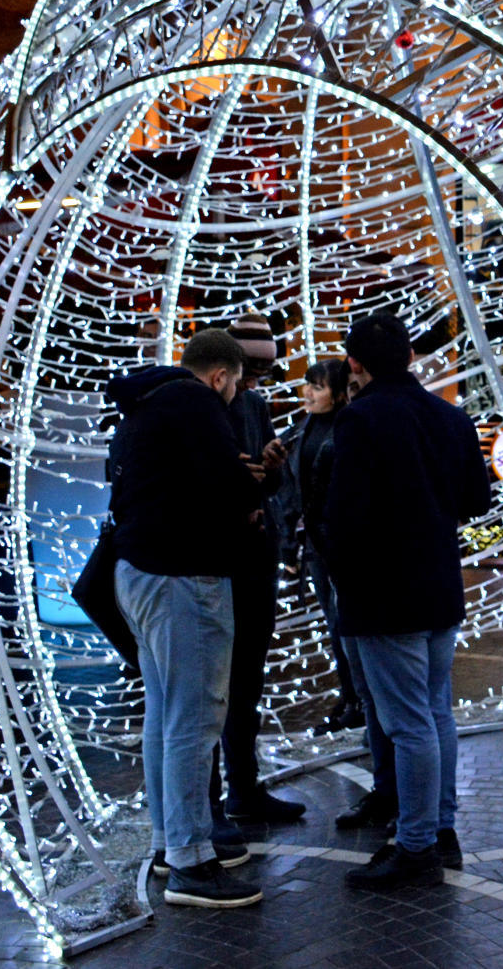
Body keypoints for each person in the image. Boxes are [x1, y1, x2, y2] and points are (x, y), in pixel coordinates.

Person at [320, 312, 490, 890]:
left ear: (354, 363)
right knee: (435, 713)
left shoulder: (360, 419)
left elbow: (344, 515)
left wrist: (342, 576)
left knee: (409, 723)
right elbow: (477, 500)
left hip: (382, 594)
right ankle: (440, 828)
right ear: (411, 357)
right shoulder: (450, 416)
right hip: (438, 585)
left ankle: (416, 846)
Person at [107, 328, 263, 909]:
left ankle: (169, 840)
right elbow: (226, 490)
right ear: (221, 376)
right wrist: (249, 482)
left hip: (139, 570)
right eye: (237, 384)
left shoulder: (149, 401)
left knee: (166, 715)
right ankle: (192, 861)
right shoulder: (197, 403)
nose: (236, 396)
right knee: (195, 720)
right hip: (184, 576)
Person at [215, 314, 304, 825]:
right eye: (246, 373)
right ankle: (210, 804)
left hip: (255, 560)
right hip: (215, 563)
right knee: (211, 686)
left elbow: (271, 485)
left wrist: (270, 469)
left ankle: (243, 788)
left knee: (247, 681)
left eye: (261, 375)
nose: (252, 384)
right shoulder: (201, 404)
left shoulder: (253, 405)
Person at [278, 358, 360, 734]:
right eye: (307, 384)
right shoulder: (301, 429)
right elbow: (290, 490)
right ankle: (349, 695)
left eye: (317, 386)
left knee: (349, 624)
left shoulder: (349, 429)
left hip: (342, 543)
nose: (307, 393)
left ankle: (359, 698)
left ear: (339, 394)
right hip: (314, 544)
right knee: (333, 622)